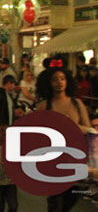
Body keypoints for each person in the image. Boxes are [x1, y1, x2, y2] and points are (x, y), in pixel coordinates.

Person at [36, 65, 92, 211]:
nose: (59, 82)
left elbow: (89, 130)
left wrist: (73, 127)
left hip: (74, 161)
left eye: (62, 79)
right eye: (55, 79)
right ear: (48, 83)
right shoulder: (43, 106)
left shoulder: (77, 104)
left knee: (72, 198)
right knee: (55, 203)